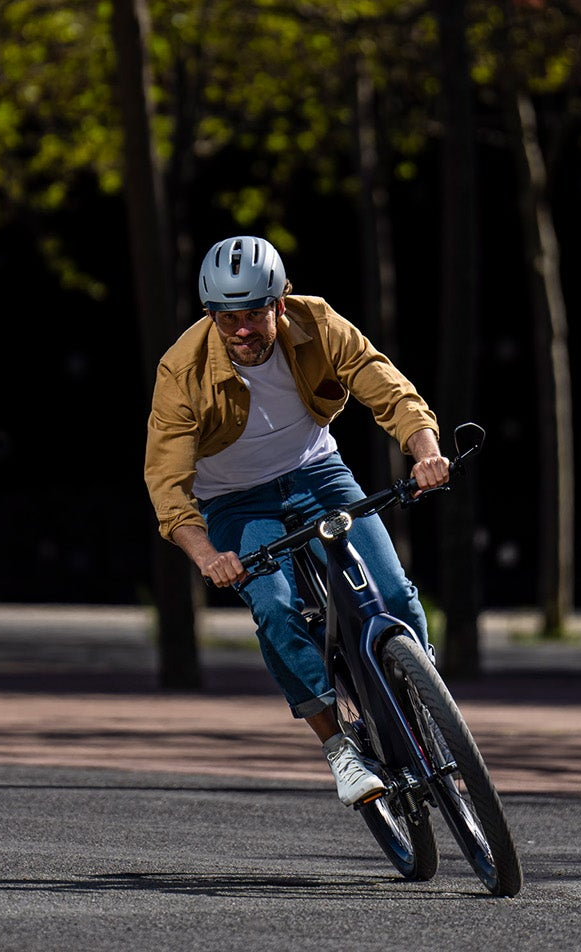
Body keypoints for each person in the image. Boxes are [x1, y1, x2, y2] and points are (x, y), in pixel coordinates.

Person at [143, 234, 450, 806]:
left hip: (319, 474)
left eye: (255, 313)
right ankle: (340, 749)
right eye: (226, 316)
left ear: (280, 302)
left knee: (398, 599)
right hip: (236, 502)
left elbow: (382, 382)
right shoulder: (181, 371)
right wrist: (207, 554)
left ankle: (429, 709)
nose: (241, 330)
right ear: (209, 314)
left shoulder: (316, 323)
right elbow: (167, 484)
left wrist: (424, 449)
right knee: (277, 609)